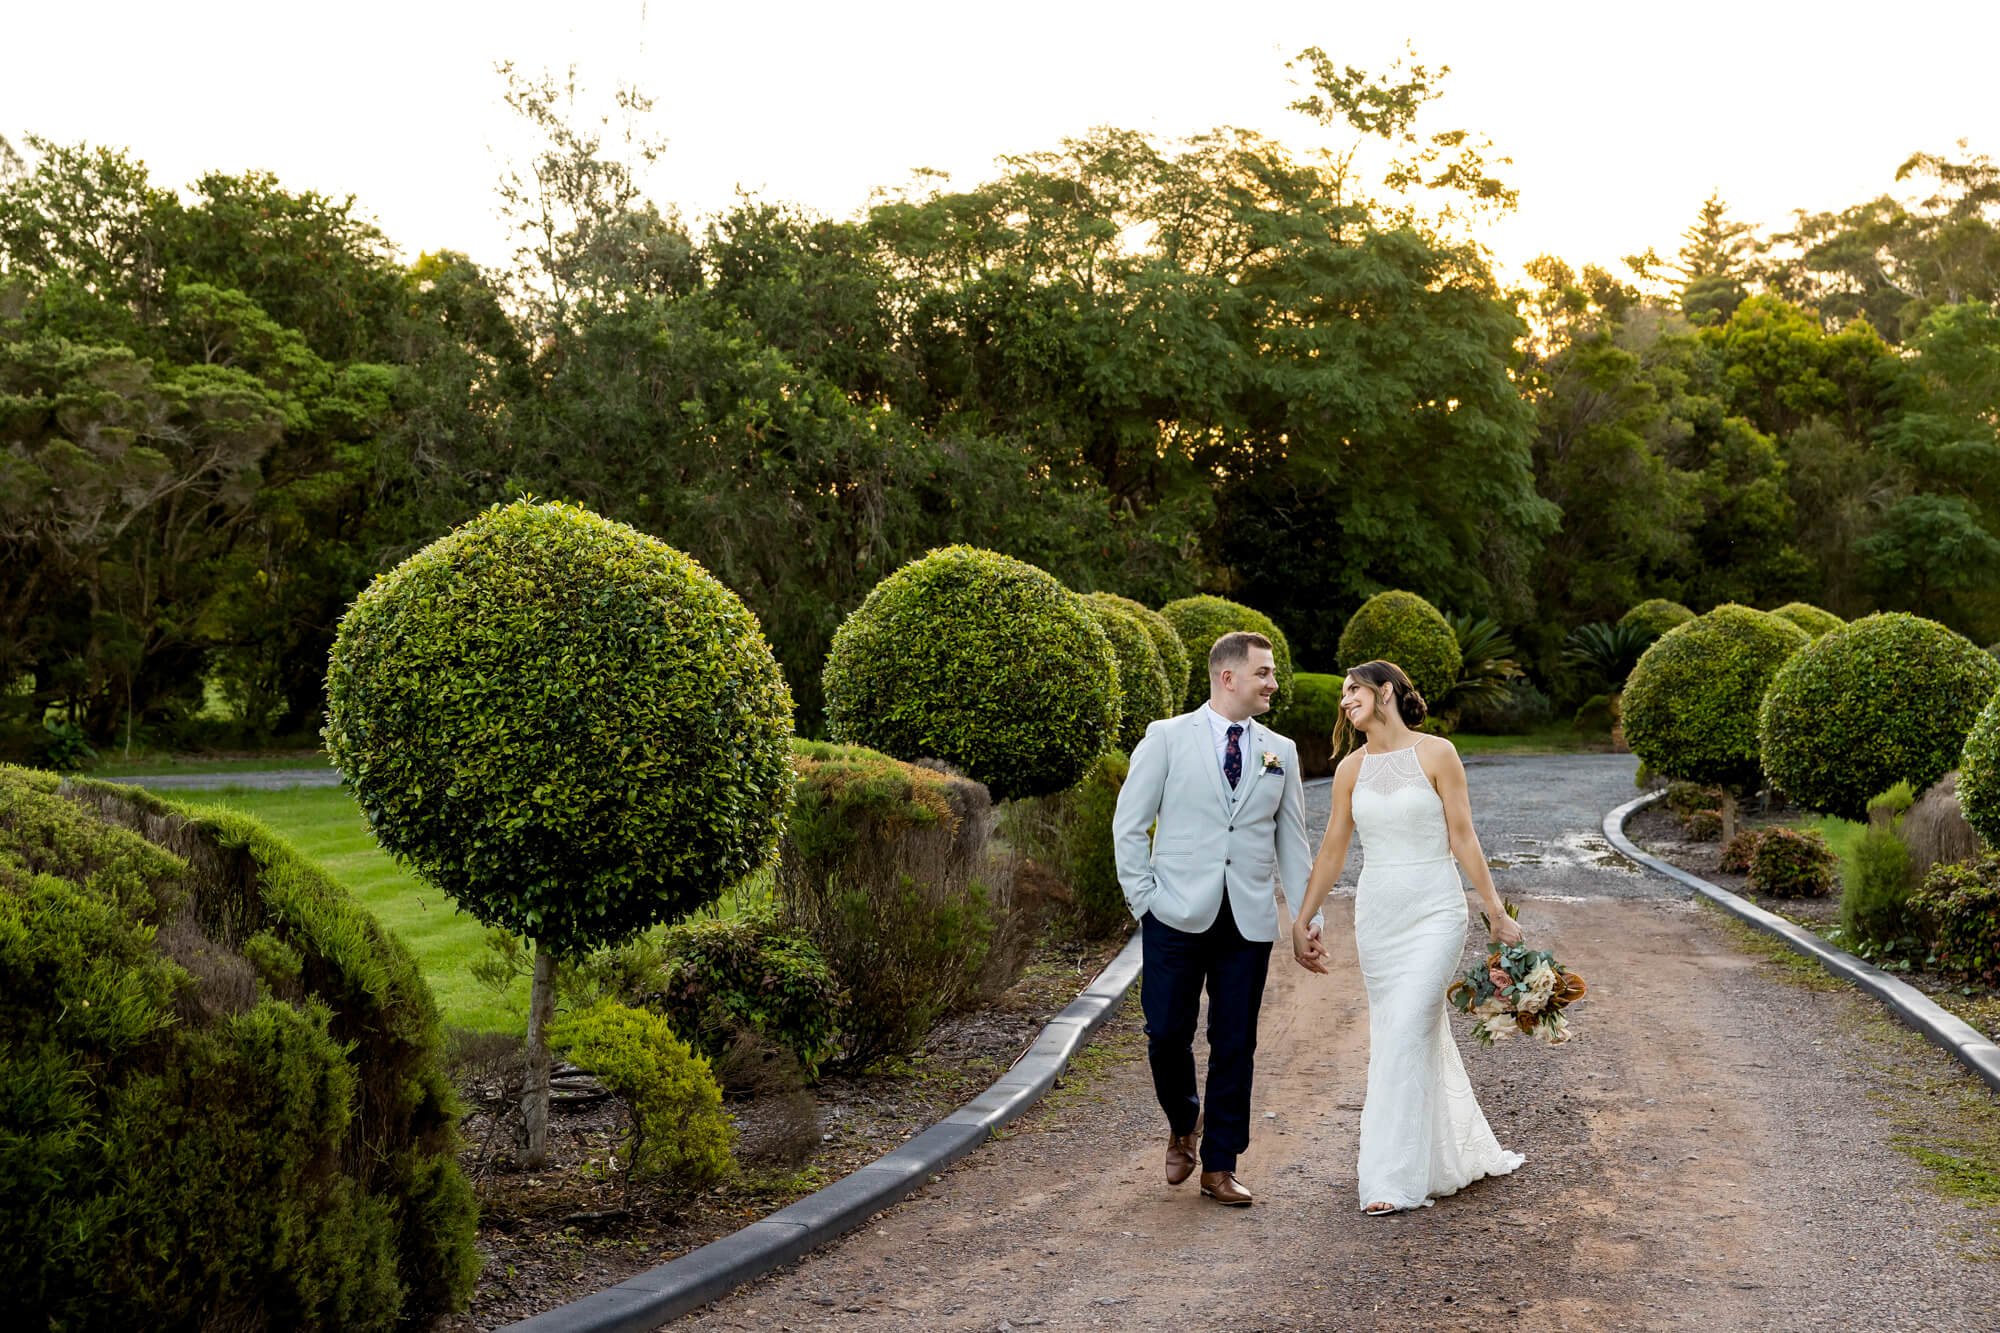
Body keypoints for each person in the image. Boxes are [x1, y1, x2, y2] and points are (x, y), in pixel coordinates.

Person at [1288, 659, 1525, 1215]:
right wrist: (1303, 918)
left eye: (1354, 690)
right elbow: (1332, 851)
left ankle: (1390, 1180)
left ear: (1385, 692)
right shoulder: (1349, 769)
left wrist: (1494, 909)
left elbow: (1463, 836)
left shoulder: (1437, 753)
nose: (1345, 700)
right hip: (1380, 918)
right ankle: (1440, 1158)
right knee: (1404, 1032)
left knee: (1409, 1026)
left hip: (1436, 911)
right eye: (1343, 693)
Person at [1112, 631, 1317, 1207]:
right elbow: (1129, 825)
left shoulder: (1282, 750)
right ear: (1228, 677)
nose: (1274, 683)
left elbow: (1293, 845)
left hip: (1247, 921)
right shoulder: (1167, 739)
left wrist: (1307, 916)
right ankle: (1184, 1121)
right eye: (1265, 673)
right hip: (1174, 913)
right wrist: (1144, 901)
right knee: (1165, 1034)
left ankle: (1220, 1165)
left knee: (1235, 1042)